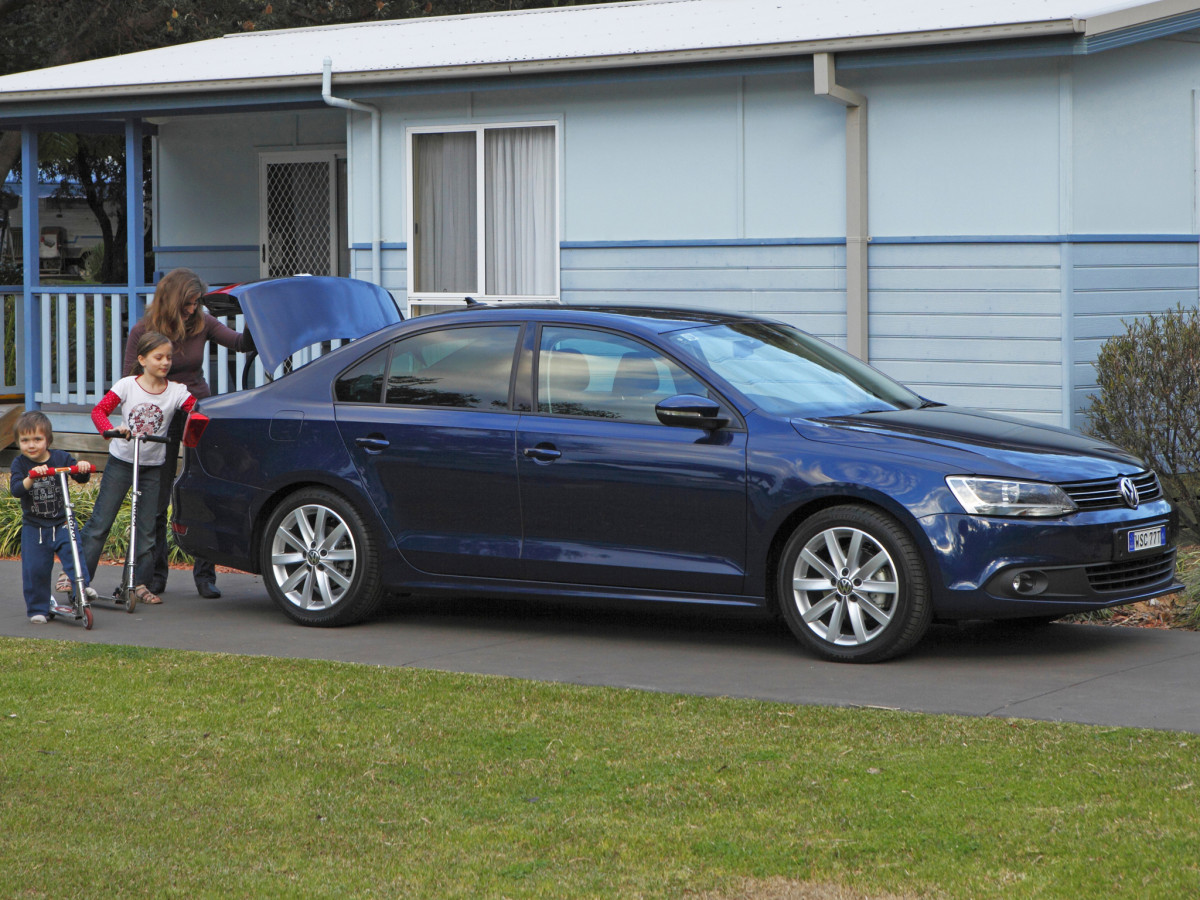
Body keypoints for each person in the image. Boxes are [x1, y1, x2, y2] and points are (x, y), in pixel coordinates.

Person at [124, 267, 251, 599]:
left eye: (197, 303)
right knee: (157, 495)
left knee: (205, 489)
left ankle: (205, 575)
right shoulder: (143, 331)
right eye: (188, 303)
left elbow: (240, 343)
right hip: (159, 416)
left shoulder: (203, 323)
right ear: (172, 299)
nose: (193, 310)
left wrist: (254, 311)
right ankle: (155, 575)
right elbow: (128, 381)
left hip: (197, 410)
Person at [81, 331, 196, 607]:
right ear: (142, 359)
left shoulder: (176, 391)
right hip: (122, 461)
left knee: (146, 529)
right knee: (101, 522)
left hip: (152, 467)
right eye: (158, 357)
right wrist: (111, 430)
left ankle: (136, 583)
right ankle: (78, 577)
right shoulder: (127, 385)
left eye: (168, 357)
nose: (165, 362)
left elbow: (198, 410)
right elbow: (99, 412)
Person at [8, 411, 95, 624]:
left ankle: (80, 593)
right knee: (35, 568)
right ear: (18, 442)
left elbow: (80, 476)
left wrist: (82, 468)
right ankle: (38, 608)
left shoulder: (61, 458)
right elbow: (17, 489)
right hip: (35, 526)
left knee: (75, 557)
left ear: (48, 439)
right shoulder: (20, 464)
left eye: (37, 439)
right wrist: (31, 477)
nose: (31, 445)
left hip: (63, 521)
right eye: (25, 440)